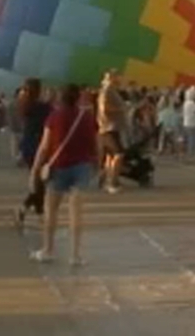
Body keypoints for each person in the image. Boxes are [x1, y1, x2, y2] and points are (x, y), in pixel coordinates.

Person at [29, 84, 98, 268]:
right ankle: (75, 255)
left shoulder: (54, 117)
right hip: (82, 167)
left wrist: (35, 170)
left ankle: (47, 250)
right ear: (77, 98)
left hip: (59, 167)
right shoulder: (88, 117)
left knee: (51, 210)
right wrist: (96, 163)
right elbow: (95, 143)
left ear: (61, 98)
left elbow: (44, 147)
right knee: (76, 212)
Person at [96, 71, 126, 194]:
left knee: (110, 155)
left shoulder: (111, 90)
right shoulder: (107, 90)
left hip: (112, 127)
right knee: (119, 154)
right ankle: (112, 182)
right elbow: (104, 108)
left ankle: (104, 179)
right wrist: (120, 109)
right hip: (109, 127)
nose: (120, 79)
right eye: (118, 77)